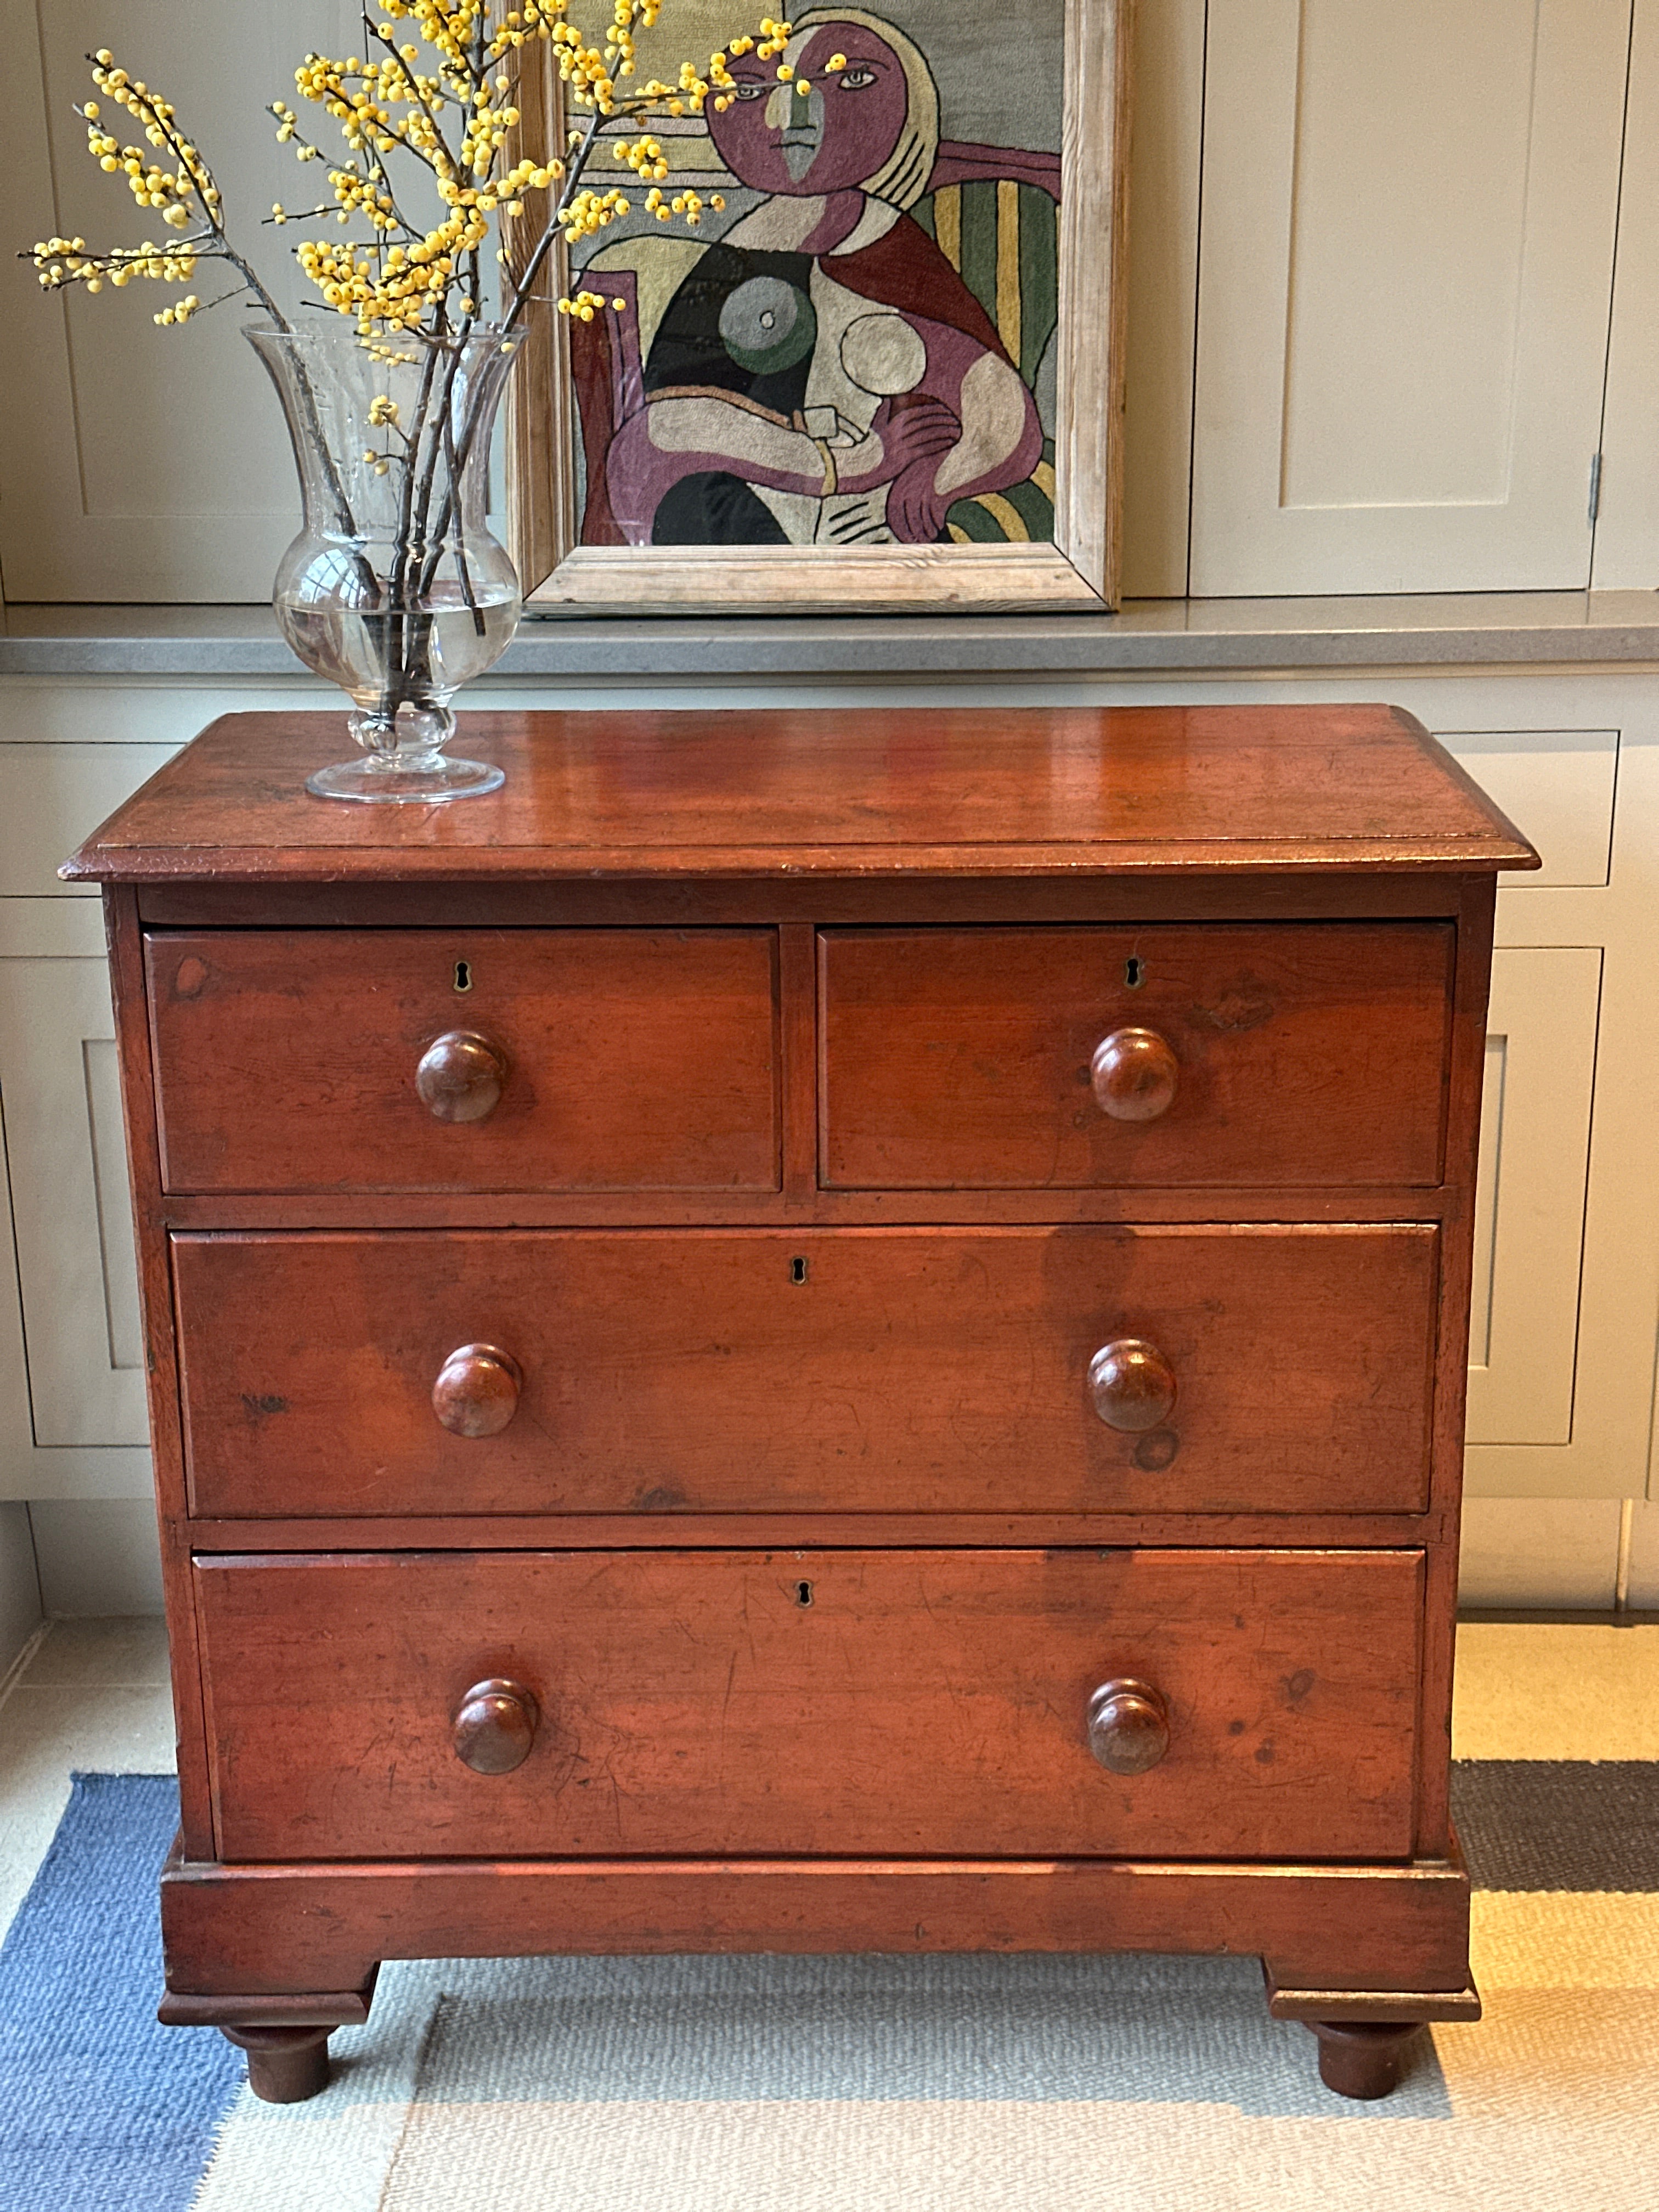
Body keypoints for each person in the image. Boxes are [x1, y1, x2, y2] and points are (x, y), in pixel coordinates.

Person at [599, 8, 1044, 546]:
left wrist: (943, 479)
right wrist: (847, 463)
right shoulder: (737, 254)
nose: (792, 117)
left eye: (851, 81)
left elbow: (1001, 410)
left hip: (874, 532)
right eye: (748, 91)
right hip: (747, 520)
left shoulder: (891, 248)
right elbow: (659, 435)